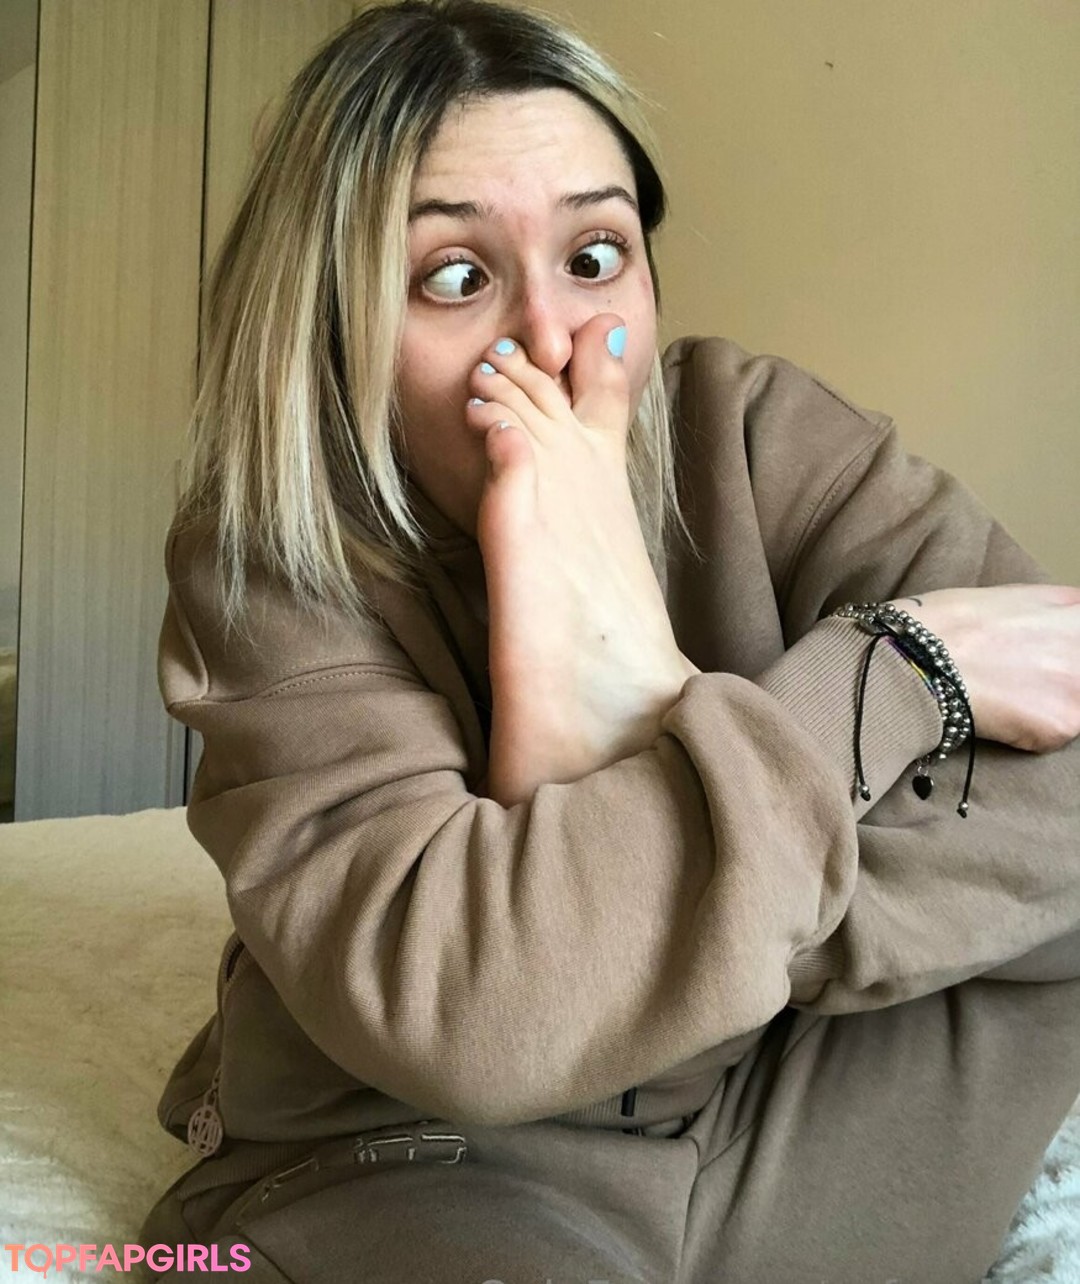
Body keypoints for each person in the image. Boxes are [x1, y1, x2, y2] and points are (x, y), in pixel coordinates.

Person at [138, 1, 1080, 1279]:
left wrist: (631, 886)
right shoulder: (271, 559)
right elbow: (481, 1013)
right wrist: (897, 678)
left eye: (593, 255)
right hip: (431, 1150)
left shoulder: (750, 431)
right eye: (455, 277)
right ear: (330, 326)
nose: (548, 338)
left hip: (793, 1090)